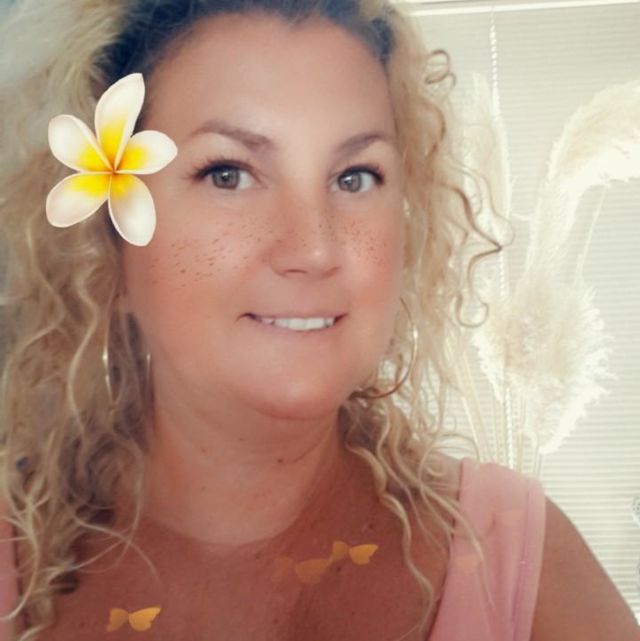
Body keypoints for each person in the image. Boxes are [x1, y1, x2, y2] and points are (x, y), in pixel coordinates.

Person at [0, 1, 637, 639]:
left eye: (354, 177)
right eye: (229, 174)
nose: (314, 248)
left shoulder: (520, 564)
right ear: (106, 242)